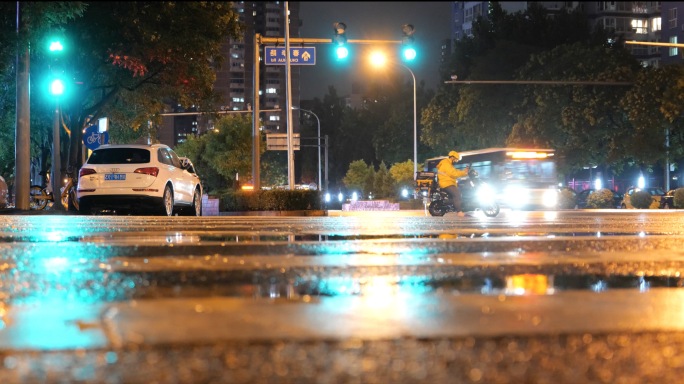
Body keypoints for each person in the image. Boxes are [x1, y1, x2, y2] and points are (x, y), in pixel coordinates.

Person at [436, 150, 469, 216]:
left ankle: (453, 206)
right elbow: (453, 174)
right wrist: (463, 173)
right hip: (446, 183)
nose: (456, 161)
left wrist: (464, 172)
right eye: (456, 160)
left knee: (458, 193)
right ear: (452, 158)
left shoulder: (449, 164)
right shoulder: (446, 164)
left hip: (449, 182)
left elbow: (455, 171)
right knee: (457, 194)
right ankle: (459, 212)